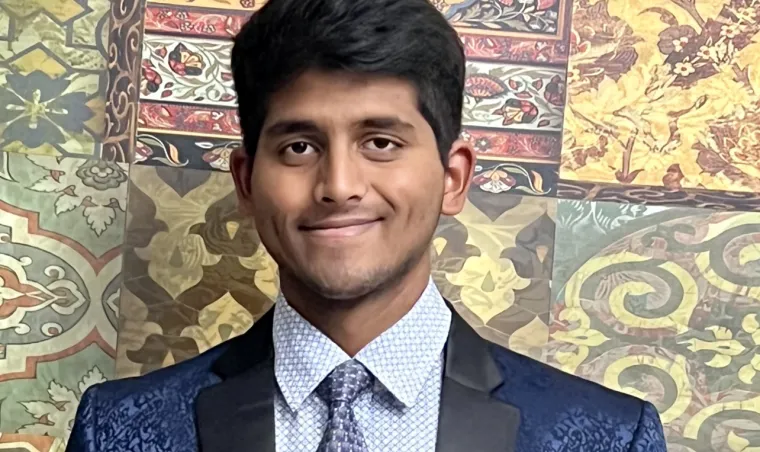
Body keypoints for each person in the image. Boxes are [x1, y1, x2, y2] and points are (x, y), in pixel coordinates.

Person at [67, 0, 667, 450]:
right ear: (247, 182)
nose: (339, 185)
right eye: (299, 147)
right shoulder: (116, 428)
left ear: (452, 178)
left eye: (380, 141)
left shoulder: (608, 437)